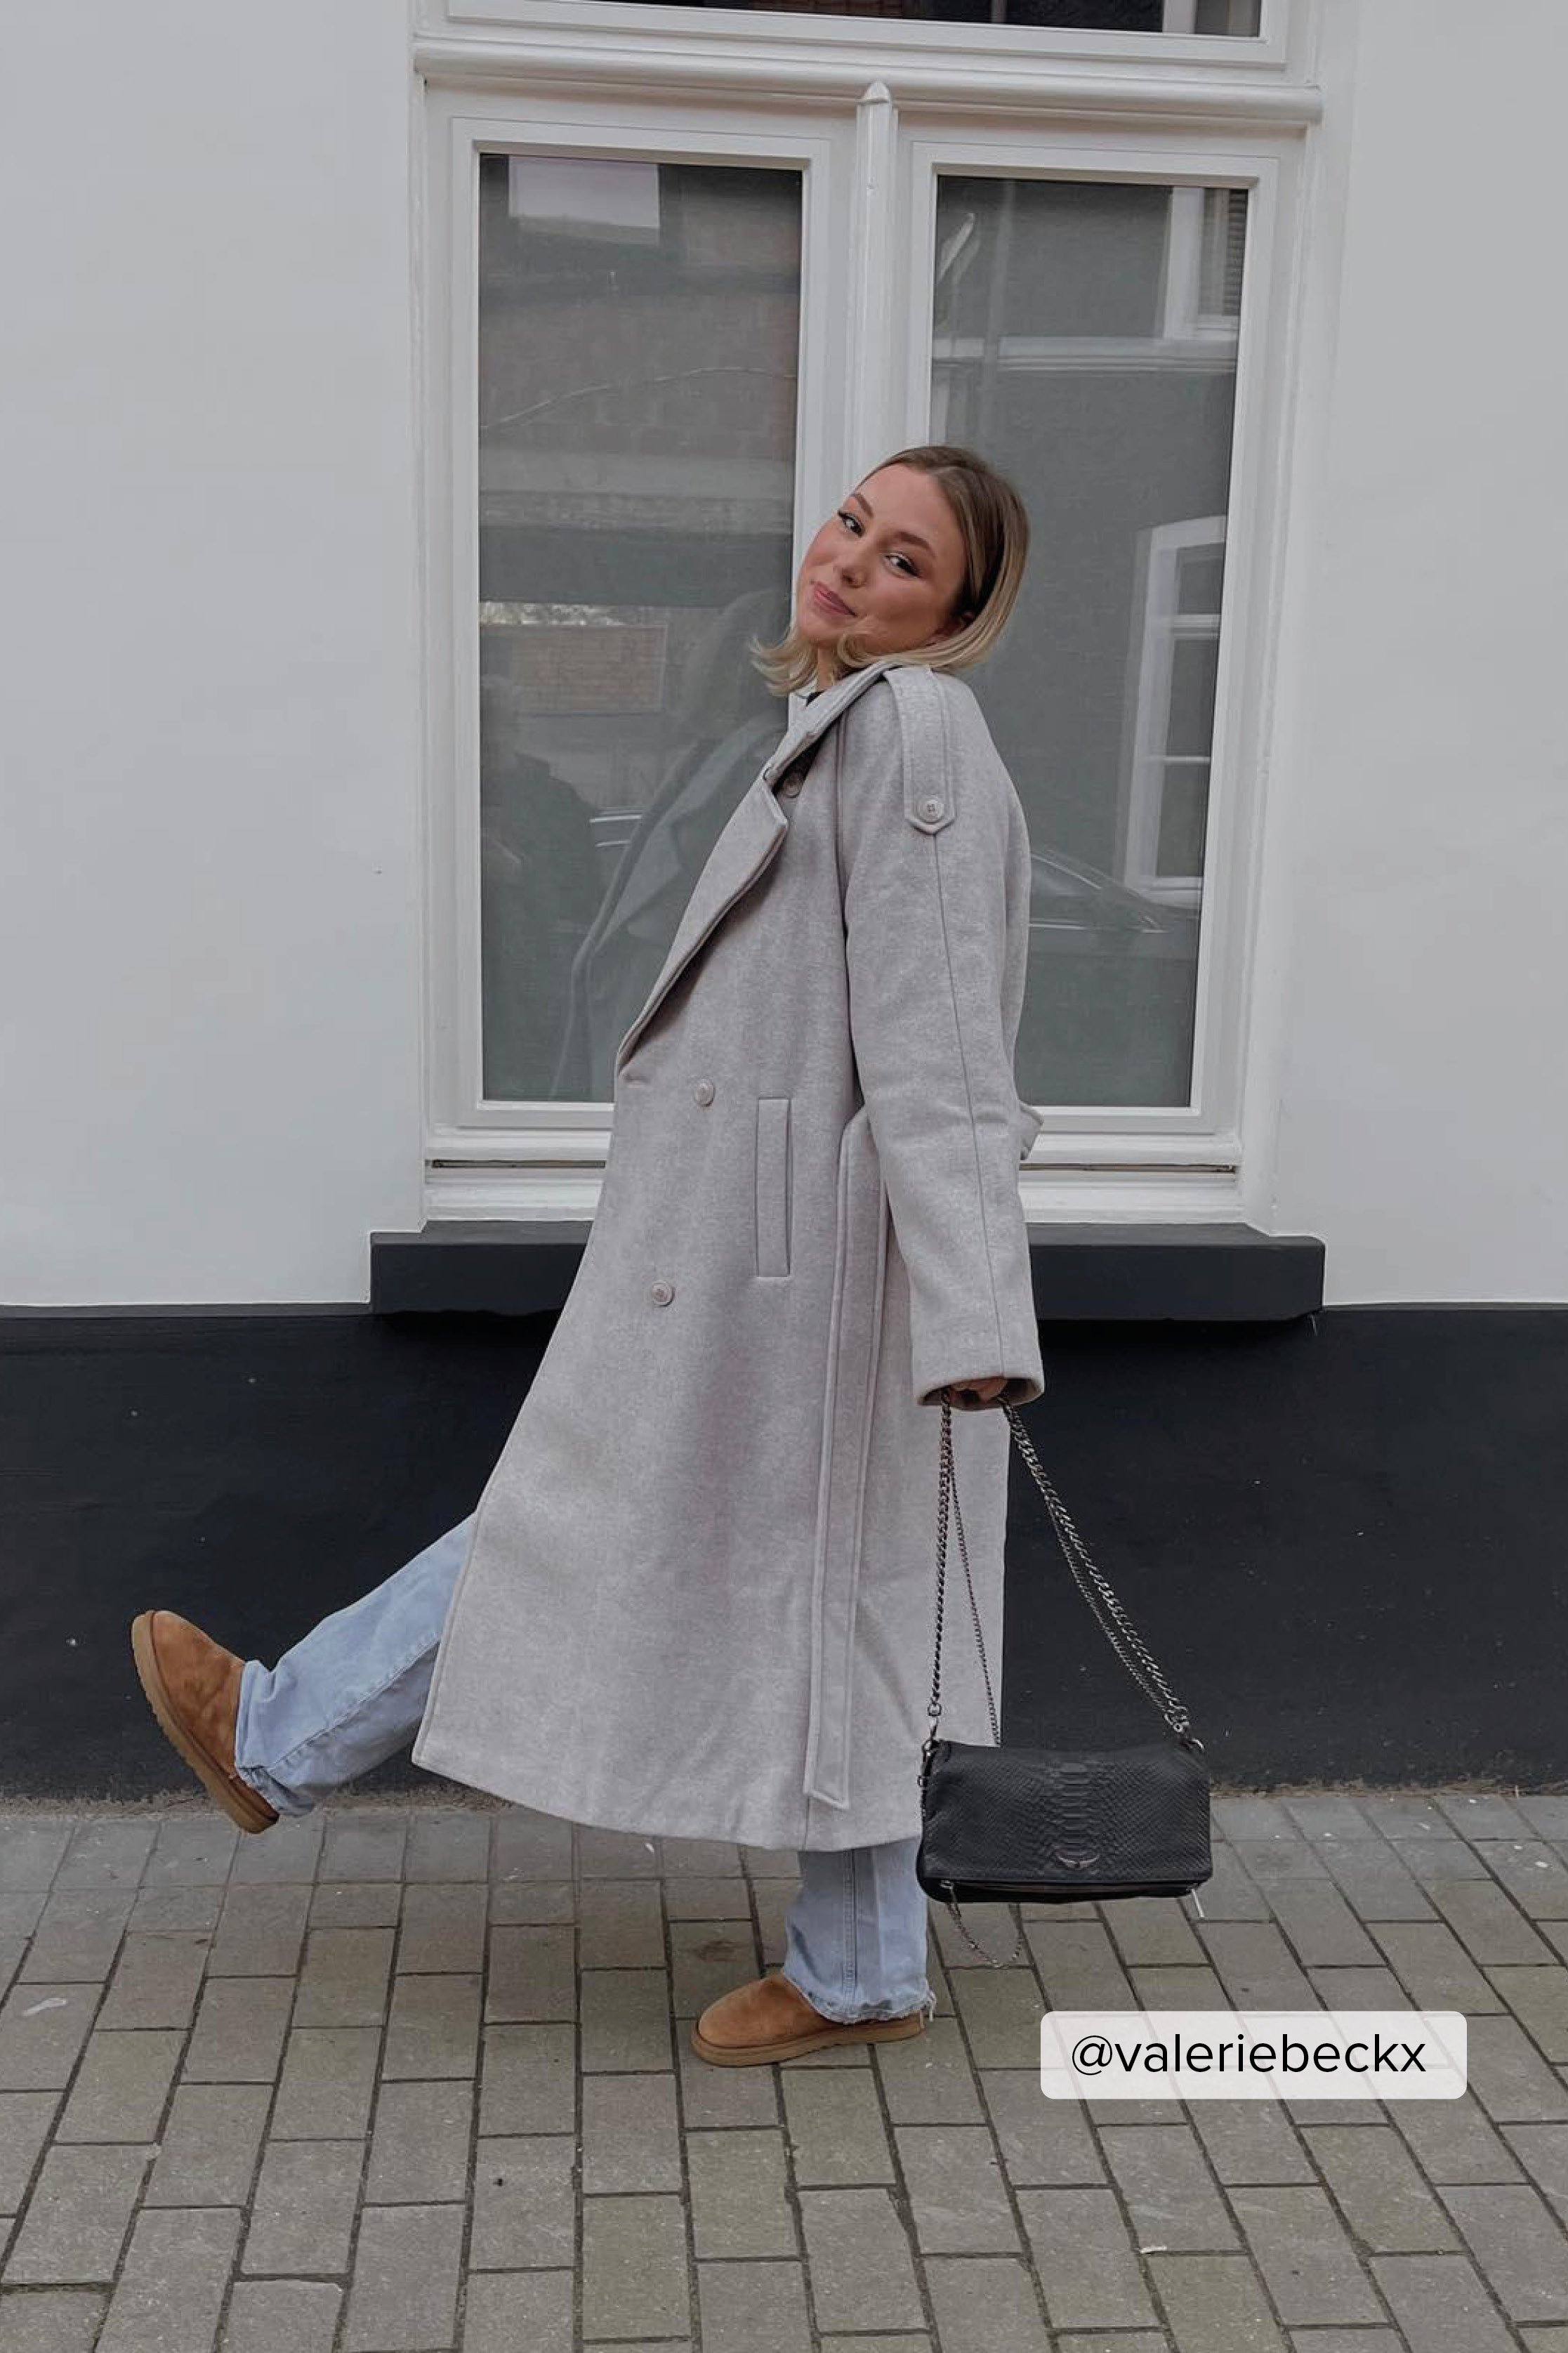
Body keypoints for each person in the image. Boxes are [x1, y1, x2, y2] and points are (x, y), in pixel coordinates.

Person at [130, 443, 1045, 2068]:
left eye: (905, 559)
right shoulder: (836, 722)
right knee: (814, 1595)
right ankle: (859, 1967)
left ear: (954, 613)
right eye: (853, 521)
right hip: (775, 1261)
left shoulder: (912, 730)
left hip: (805, 1280)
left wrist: (975, 1313)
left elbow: (944, 1042)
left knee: (611, 1529)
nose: (851, 560)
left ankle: (280, 1734)